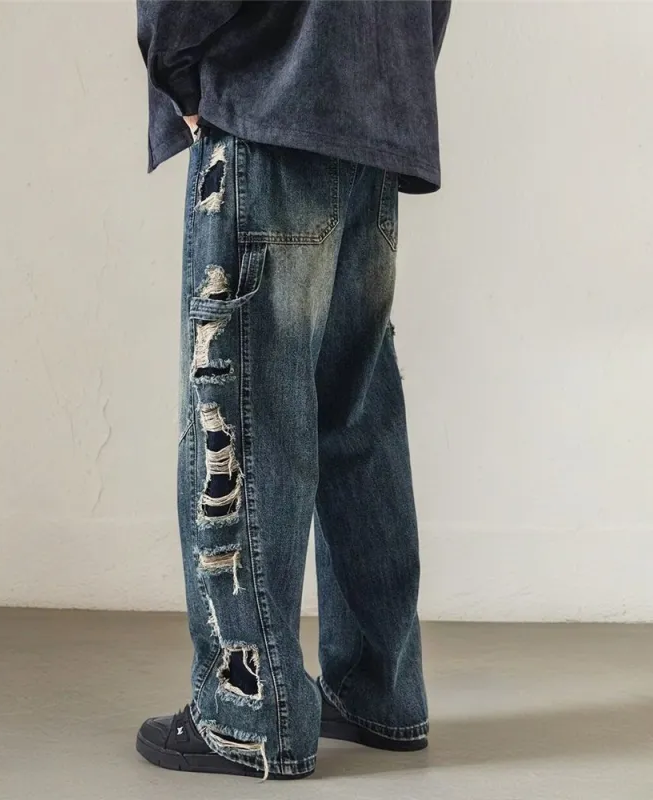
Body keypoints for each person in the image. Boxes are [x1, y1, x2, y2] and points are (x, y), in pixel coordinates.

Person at [134, 0, 451, 780]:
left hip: (270, 108)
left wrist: (176, 69)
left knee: (247, 418)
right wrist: (391, 78)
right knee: (356, 417)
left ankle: (249, 716)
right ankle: (380, 692)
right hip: (375, 123)